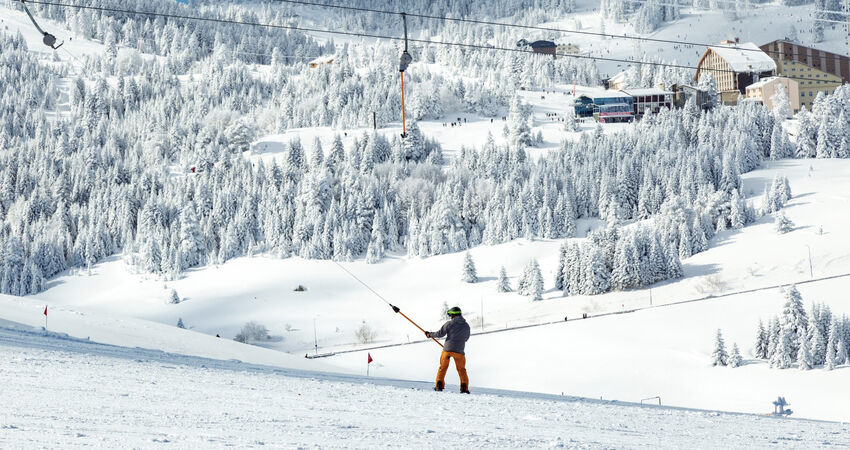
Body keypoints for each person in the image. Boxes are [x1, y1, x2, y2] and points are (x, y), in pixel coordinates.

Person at [425, 306, 471, 393]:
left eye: (451, 315)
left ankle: (439, 386)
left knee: (443, 368)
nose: (450, 317)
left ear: (453, 315)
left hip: (447, 350)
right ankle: (464, 389)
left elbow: (440, 334)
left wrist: (429, 334)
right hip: (459, 352)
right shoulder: (466, 326)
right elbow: (466, 338)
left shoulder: (449, 324)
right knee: (462, 370)